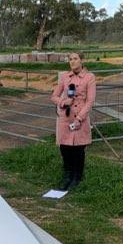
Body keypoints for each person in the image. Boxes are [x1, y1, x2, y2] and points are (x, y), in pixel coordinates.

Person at [50, 52, 96, 191]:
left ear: (81, 60)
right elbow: (54, 96)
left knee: (78, 149)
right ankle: (67, 176)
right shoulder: (64, 77)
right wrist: (64, 101)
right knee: (65, 148)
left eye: (75, 59)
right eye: (70, 59)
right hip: (66, 118)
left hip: (79, 118)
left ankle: (77, 176)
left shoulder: (90, 77)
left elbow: (90, 101)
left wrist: (80, 118)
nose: (73, 62)